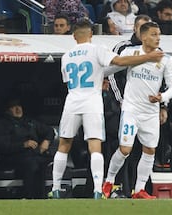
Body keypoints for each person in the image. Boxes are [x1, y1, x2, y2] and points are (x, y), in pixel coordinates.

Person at [50, 19, 164, 199]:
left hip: (72, 100)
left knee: (64, 145)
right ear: (91, 34)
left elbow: (77, 77)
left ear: (73, 36)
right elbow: (119, 61)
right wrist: (148, 57)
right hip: (92, 101)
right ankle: (97, 190)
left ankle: (55, 188)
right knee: (95, 146)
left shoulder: (66, 56)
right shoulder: (97, 49)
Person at [102, 21, 172, 199]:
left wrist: (163, 97)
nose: (158, 38)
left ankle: (139, 190)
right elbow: (110, 70)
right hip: (131, 109)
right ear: (143, 36)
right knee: (125, 149)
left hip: (151, 113)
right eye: (153, 34)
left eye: (159, 34)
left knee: (150, 150)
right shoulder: (130, 53)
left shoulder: (166, 59)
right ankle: (109, 181)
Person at [0, 98, 55, 199]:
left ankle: (43, 196)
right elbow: (2, 147)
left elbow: (49, 131)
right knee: (31, 162)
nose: (18, 109)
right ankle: (29, 196)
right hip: (11, 157)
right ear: (7, 110)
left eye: (19, 106)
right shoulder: (2, 124)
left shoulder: (29, 121)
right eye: (13, 107)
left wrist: (46, 142)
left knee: (45, 161)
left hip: (33, 155)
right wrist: (23, 145)